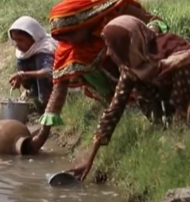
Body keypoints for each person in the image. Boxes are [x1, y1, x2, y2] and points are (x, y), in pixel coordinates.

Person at [25, 0, 168, 155]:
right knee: (81, 69)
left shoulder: (117, 13)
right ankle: (121, 102)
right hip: (120, 81)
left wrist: (144, 35)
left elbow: (156, 22)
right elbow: (59, 88)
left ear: (85, 23)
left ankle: (151, 105)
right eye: (64, 38)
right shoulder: (68, 49)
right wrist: (42, 136)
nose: (69, 42)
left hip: (143, 61)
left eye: (71, 34)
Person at [69, 15, 190, 181]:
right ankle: (164, 124)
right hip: (164, 100)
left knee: (183, 70)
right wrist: (88, 159)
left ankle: (180, 124)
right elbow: (114, 110)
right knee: (139, 86)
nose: (109, 53)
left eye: (112, 47)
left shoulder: (169, 47)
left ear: (128, 44)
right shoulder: (130, 69)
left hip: (185, 95)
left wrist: (170, 65)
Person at [8, 16, 57, 113]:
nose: (17, 44)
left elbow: (48, 72)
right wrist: (20, 79)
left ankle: (46, 105)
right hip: (37, 81)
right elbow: (23, 72)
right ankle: (34, 96)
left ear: (33, 37)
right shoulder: (23, 52)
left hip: (58, 83)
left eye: (20, 40)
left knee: (41, 71)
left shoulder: (45, 47)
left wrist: (23, 74)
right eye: (15, 40)